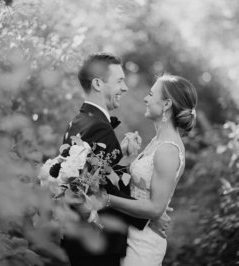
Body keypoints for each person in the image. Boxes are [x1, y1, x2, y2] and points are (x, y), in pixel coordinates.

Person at [61, 53, 169, 266]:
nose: (125, 87)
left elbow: (93, 177)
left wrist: (122, 156)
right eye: (119, 80)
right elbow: (95, 192)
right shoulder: (99, 127)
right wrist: (148, 216)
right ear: (98, 84)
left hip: (81, 241)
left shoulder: (78, 122)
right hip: (97, 247)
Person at [100, 74, 198, 266]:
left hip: (144, 245)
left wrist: (107, 199)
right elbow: (143, 193)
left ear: (167, 104)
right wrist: (124, 154)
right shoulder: (156, 141)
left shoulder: (168, 150)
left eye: (151, 94)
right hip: (131, 233)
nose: (146, 98)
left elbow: (155, 208)